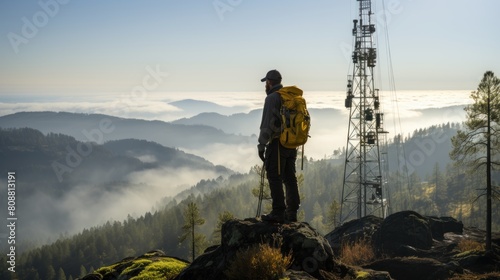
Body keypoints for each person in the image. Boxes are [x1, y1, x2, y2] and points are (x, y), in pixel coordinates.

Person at [257, 69, 300, 223]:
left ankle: (278, 212)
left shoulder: (272, 98)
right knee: (290, 178)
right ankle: (292, 213)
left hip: (277, 144)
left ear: (269, 82)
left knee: (274, 176)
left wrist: (261, 145)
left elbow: (266, 125)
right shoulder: (289, 96)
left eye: (266, 82)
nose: (265, 86)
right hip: (291, 143)